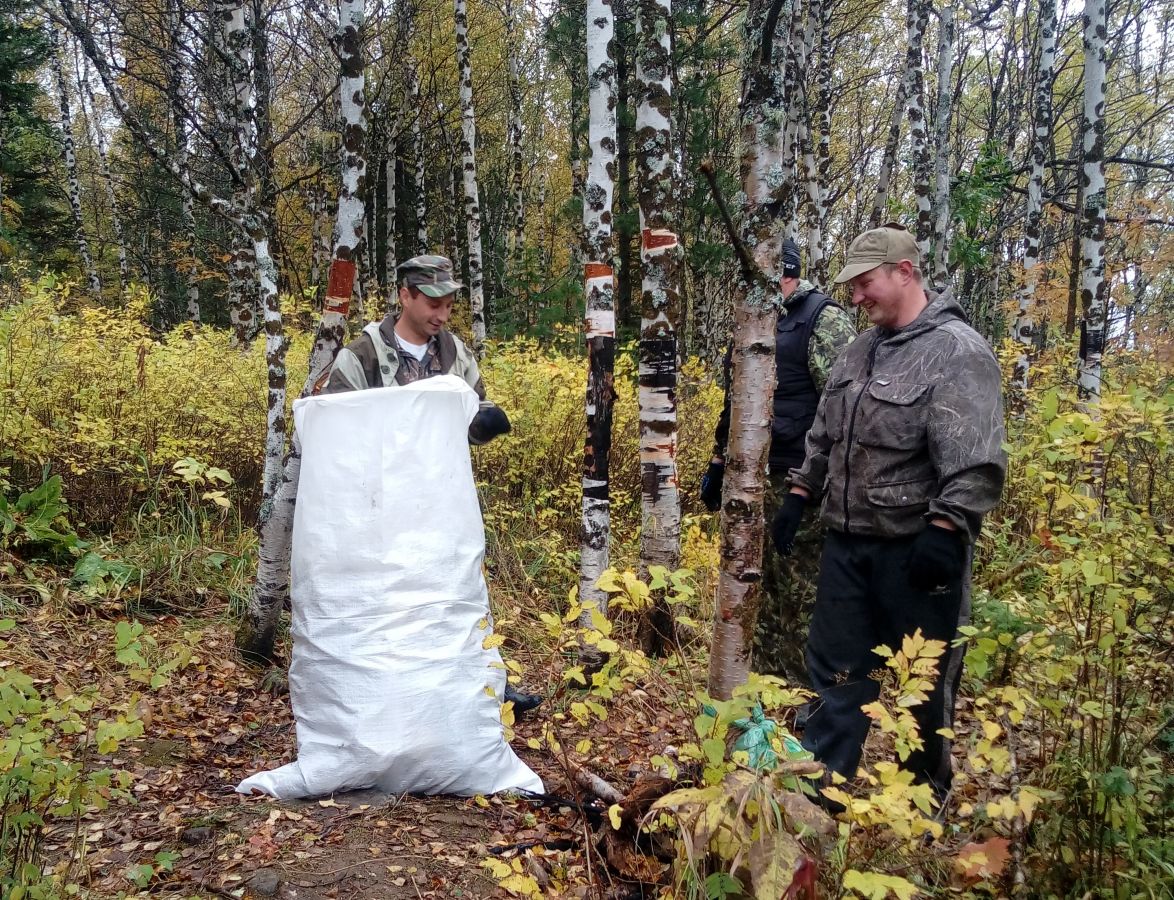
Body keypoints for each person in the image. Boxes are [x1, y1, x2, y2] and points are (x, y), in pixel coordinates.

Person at [774, 223, 1006, 806]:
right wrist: (800, 496)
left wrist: (947, 528)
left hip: (917, 555)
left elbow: (975, 459)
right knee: (836, 676)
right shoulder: (857, 351)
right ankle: (824, 797)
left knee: (920, 690)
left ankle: (920, 808)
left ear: (905, 272)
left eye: (866, 284)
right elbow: (824, 438)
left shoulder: (958, 351)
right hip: (847, 548)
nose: (856, 297)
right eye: (851, 288)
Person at [319, 254, 543, 716]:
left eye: (448, 306)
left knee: (459, 597)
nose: (442, 315)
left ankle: (486, 686)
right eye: (433, 305)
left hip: (442, 504)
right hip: (381, 509)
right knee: (390, 608)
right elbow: (332, 431)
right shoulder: (363, 355)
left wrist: (485, 423)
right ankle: (390, 701)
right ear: (406, 295)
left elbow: (473, 412)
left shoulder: (453, 353)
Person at [701, 238, 856, 686]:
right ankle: (762, 687)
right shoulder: (753, 322)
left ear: (781, 274)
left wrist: (804, 489)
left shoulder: (823, 321)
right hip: (750, 478)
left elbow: (842, 412)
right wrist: (717, 463)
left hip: (801, 482)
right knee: (756, 586)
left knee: (800, 593)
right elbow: (735, 401)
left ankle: (807, 693)